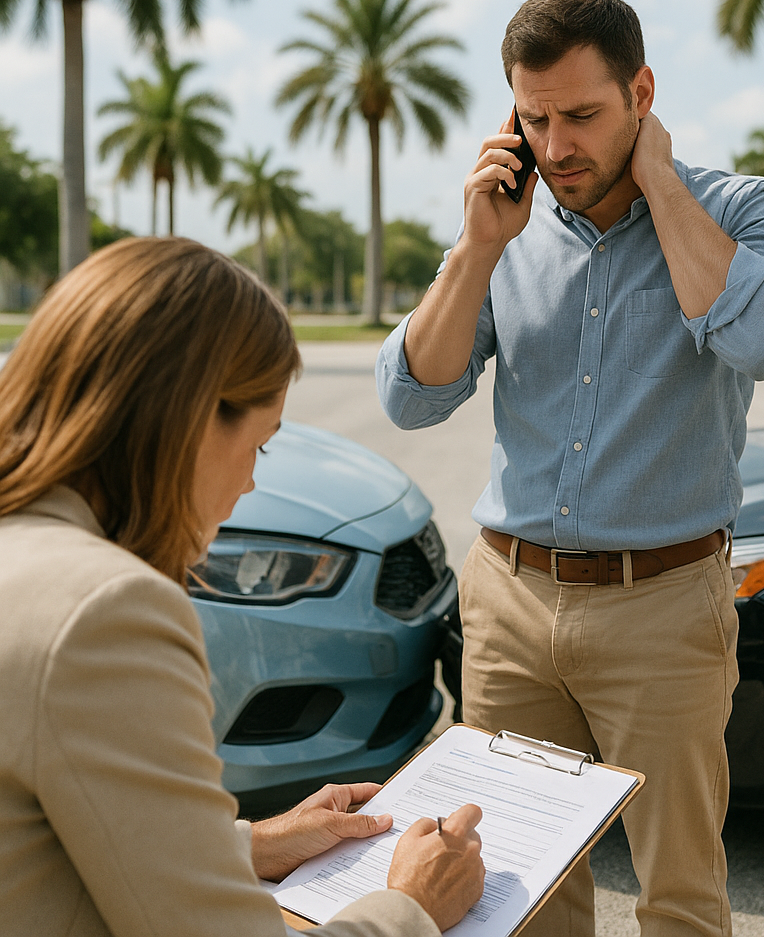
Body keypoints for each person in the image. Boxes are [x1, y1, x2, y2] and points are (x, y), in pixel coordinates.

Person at [376, 0, 764, 937]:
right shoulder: (505, 227)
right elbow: (411, 397)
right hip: (510, 602)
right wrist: (475, 248)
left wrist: (662, 187)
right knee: (520, 897)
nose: (556, 145)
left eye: (581, 115)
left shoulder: (739, 210)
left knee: (681, 897)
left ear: (642, 93)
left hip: (665, 608)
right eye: (534, 119)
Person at [0, 237, 485, 937]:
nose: (252, 482)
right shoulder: (105, 612)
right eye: (260, 445)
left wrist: (248, 844)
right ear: (189, 418)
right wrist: (413, 906)